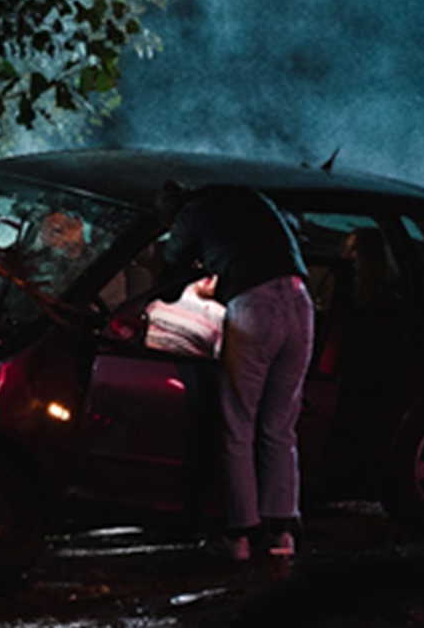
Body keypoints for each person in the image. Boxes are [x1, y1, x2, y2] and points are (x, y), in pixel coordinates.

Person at [156, 180, 315, 561]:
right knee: (280, 426)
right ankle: (282, 534)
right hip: (300, 301)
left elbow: (168, 280)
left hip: (254, 309)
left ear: (172, 209)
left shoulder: (190, 215)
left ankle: (240, 534)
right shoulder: (253, 197)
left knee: (238, 424)